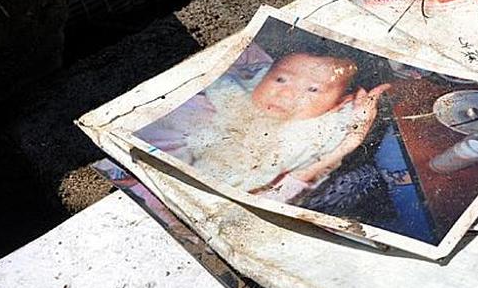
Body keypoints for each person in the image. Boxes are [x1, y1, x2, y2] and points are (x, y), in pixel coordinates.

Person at [139, 48, 390, 203]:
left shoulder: (320, 132)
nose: (287, 94)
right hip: (180, 178)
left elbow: (277, 196)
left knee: (360, 180)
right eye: (280, 79)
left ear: (338, 104)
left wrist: (351, 141)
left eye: (313, 89)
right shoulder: (229, 94)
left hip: (239, 199)